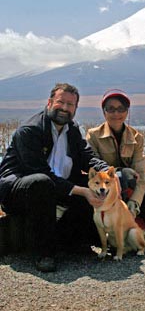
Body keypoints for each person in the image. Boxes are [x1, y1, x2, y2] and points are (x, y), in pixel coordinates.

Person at [0, 83, 110, 272]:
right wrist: (81, 191)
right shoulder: (29, 131)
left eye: (71, 104)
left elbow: (87, 157)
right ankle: (44, 253)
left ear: (76, 108)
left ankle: (74, 241)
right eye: (61, 102)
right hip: (20, 191)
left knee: (94, 185)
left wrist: (108, 172)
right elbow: (39, 172)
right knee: (42, 183)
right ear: (50, 102)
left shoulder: (72, 129)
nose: (65, 108)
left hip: (56, 187)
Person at [86, 89, 145, 237]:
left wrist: (134, 204)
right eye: (111, 109)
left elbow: (140, 175)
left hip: (130, 184)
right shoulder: (93, 135)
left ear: (127, 112)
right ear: (104, 112)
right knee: (120, 176)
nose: (116, 114)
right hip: (105, 188)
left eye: (121, 109)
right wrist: (119, 171)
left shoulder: (137, 137)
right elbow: (94, 169)